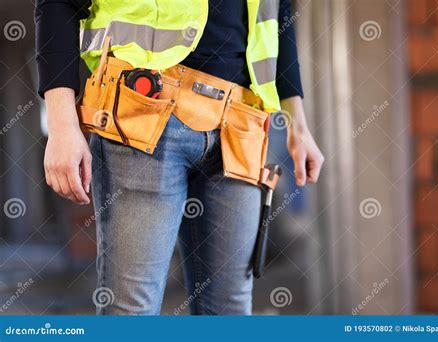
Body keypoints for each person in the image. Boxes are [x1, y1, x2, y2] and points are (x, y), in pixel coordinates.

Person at [35, 0, 325, 315]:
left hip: (241, 123)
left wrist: (296, 120)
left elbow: (277, 15)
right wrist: (62, 124)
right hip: (142, 109)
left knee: (230, 311)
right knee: (132, 310)